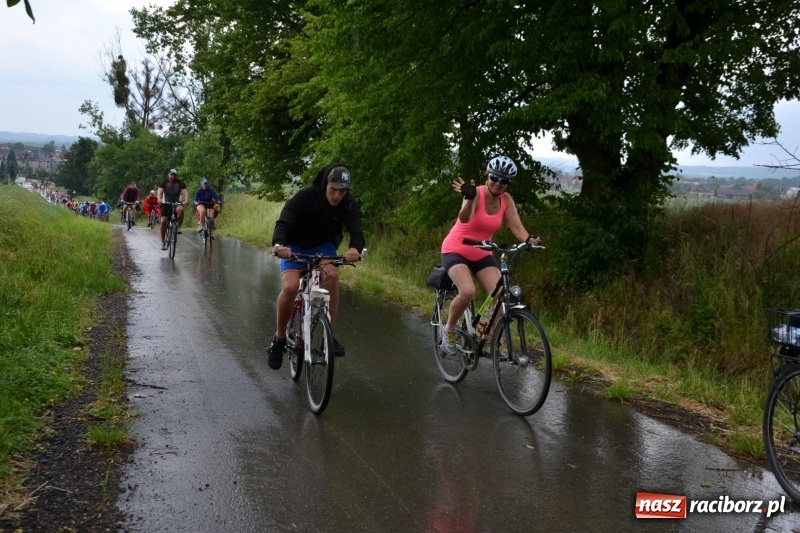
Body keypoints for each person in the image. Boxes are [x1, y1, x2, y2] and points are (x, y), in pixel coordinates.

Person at [439, 155, 540, 355]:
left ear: (508, 183)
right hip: (456, 249)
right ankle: (448, 329)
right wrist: (469, 198)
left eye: (504, 181)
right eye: (495, 177)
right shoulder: (476, 193)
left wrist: (529, 240)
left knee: (501, 292)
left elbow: (517, 227)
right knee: (467, 292)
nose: (498, 183)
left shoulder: (506, 200)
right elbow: (464, 218)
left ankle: (490, 335)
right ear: (487, 174)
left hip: (482, 251)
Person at [268, 162, 366, 370]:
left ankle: (327, 338)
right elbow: (284, 222)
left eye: (343, 191)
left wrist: (355, 249)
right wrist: (280, 245)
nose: (337, 195)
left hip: (323, 247)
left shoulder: (347, 203)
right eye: (334, 189)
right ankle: (280, 337)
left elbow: (356, 229)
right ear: (325, 184)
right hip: (294, 246)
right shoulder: (305, 197)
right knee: (290, 287)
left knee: (332, 275)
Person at [158, 169, 189, 250]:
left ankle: (178, 226)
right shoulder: (164, 182)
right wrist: (159, 199)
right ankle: (162, 241)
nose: (173, 176)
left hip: (176, 203)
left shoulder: (180, 183)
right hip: (166, 203)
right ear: (169, 175)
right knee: (163, 221)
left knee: (181, 210)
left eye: (174, 174)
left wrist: (186, 200)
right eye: (172, 174)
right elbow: (160, 192)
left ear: (176, 175)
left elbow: (185, 192)